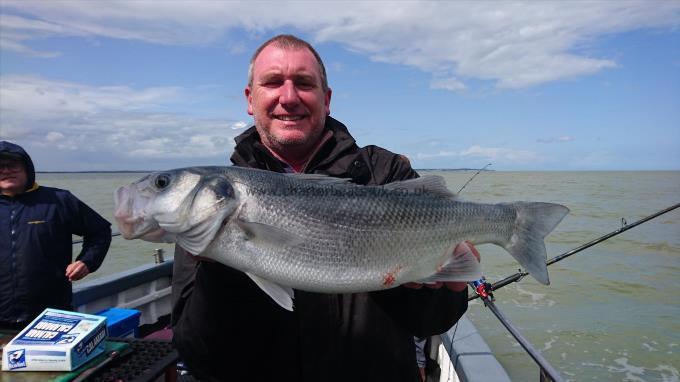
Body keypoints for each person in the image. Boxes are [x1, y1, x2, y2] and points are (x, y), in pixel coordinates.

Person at [171, 34, 480, 382]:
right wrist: (222, 269)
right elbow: (198, 353)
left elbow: (432, 322)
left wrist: (442, 287)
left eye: (304, 83)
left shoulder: (387, 174)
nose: (288, 97)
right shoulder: (213, 199)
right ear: (250, 98)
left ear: (326, 98)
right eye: (273, 82)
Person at [0, 141, 112, 330]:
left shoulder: (58, 200)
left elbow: (100, 231)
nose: (6, 170)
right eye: (0, 166)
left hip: (51, 314)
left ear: (27, 167)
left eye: (13, 165)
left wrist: (86, 261)